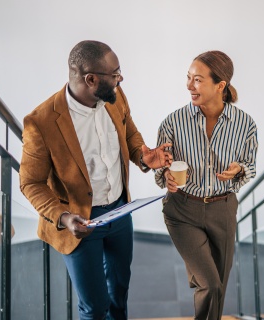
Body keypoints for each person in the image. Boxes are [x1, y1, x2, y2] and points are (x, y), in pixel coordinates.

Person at [19, 40, 172, 320]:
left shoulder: (115, 95)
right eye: (115, 73)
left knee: (119, 294)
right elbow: (31, 183)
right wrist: (64, 218)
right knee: (94, 306)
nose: (120, 78)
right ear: (91, 80)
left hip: (121, 211)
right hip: (79, 222)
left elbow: (129, 132)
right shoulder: (40, 122)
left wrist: (143, 156)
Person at [154, 50, 258, 320]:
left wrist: (239, 170)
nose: (189, 85)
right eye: (188, 78)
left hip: (223, 210)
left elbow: (250, 166)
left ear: (220, 85)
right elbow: (161, 166)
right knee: (210, 284)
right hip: (182, 211)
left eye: (197, 80)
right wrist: (164, 175)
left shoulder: (245, 124)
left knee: (218, 287)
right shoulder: (173, 122)